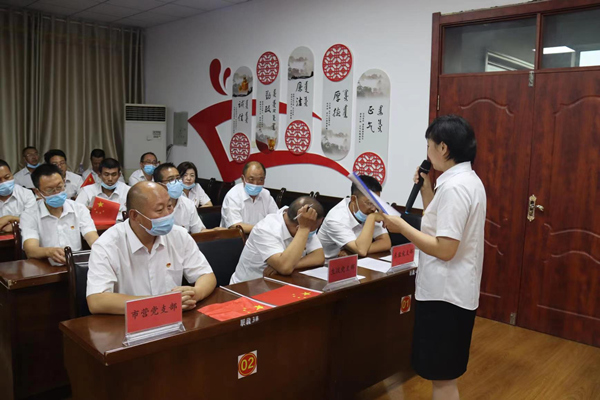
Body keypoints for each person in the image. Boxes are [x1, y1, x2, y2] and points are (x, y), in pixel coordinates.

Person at [380, 115, 486, 400]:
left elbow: (445, 249)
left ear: (443, 148)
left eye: (428, 145)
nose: (427, 152)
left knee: (442, 379)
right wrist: (427, 189)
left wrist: (402, 226)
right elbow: (438, 226)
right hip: (450, 292)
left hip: (445, 296)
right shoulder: (466, 181)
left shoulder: (455, 188)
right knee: (443, 375)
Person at [86, 181, 217, 315]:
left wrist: (195, 293)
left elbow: (206, 275)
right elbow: (97, 300)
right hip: (128, 322)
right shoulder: (107, 245)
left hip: (175, 318)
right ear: (135, 215)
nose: (168, 214)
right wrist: (160, 303)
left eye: (169, 206)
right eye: (159, 210)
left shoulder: (179, 235)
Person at [230, 196, 325, 284]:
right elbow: (285, 267)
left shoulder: (305, 221)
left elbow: (319, 257)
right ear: (298, 228)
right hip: (248, 287)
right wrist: (304, 229)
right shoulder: (265, 229)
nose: (314, 232)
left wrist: (291, 265)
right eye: (313, 229)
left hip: (278, 281)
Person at [21, 164, 98, 265]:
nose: (56, 193)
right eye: (50, 190)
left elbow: (92, 238)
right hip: (45, 267)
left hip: (76, 264)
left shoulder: (79, 208)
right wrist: (49, 252)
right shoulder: (29, 215)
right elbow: (30, 250)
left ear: (64, 182)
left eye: (59, 187)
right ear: (38, 192)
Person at [318, 175, 391, 259]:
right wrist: (371, 218)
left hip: (352, 260)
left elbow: (385, 243)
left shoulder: (371, 211)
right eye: (369, 203)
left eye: (376, 203)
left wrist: (352, 252)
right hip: (327, 263)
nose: (374, 208)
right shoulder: (336, 219)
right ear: (353, 199)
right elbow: (362, 251)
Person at [220, 161, 278, 233]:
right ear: (243, 179)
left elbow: (276, 219)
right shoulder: (233, 196)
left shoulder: (266, 194)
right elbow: (235, 226)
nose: (256, 184)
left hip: (261, 236)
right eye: (251, 179)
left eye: (260, 180)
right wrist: (262, 229)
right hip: (237, 237)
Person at [153, 163, 206, 233]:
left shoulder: (188, 204)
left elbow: (198, 231)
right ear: (159, 184)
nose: (176, 182)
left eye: (178, 178)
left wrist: (215, 231)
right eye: (171, 179)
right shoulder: (151, 206)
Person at [0, 160, 37, 233]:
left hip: (23, 238)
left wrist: (10, 219)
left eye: (7, 177)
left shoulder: (26, 194)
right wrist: (17, 220)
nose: (3, 182)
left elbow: (32, 221)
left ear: (12, 175)